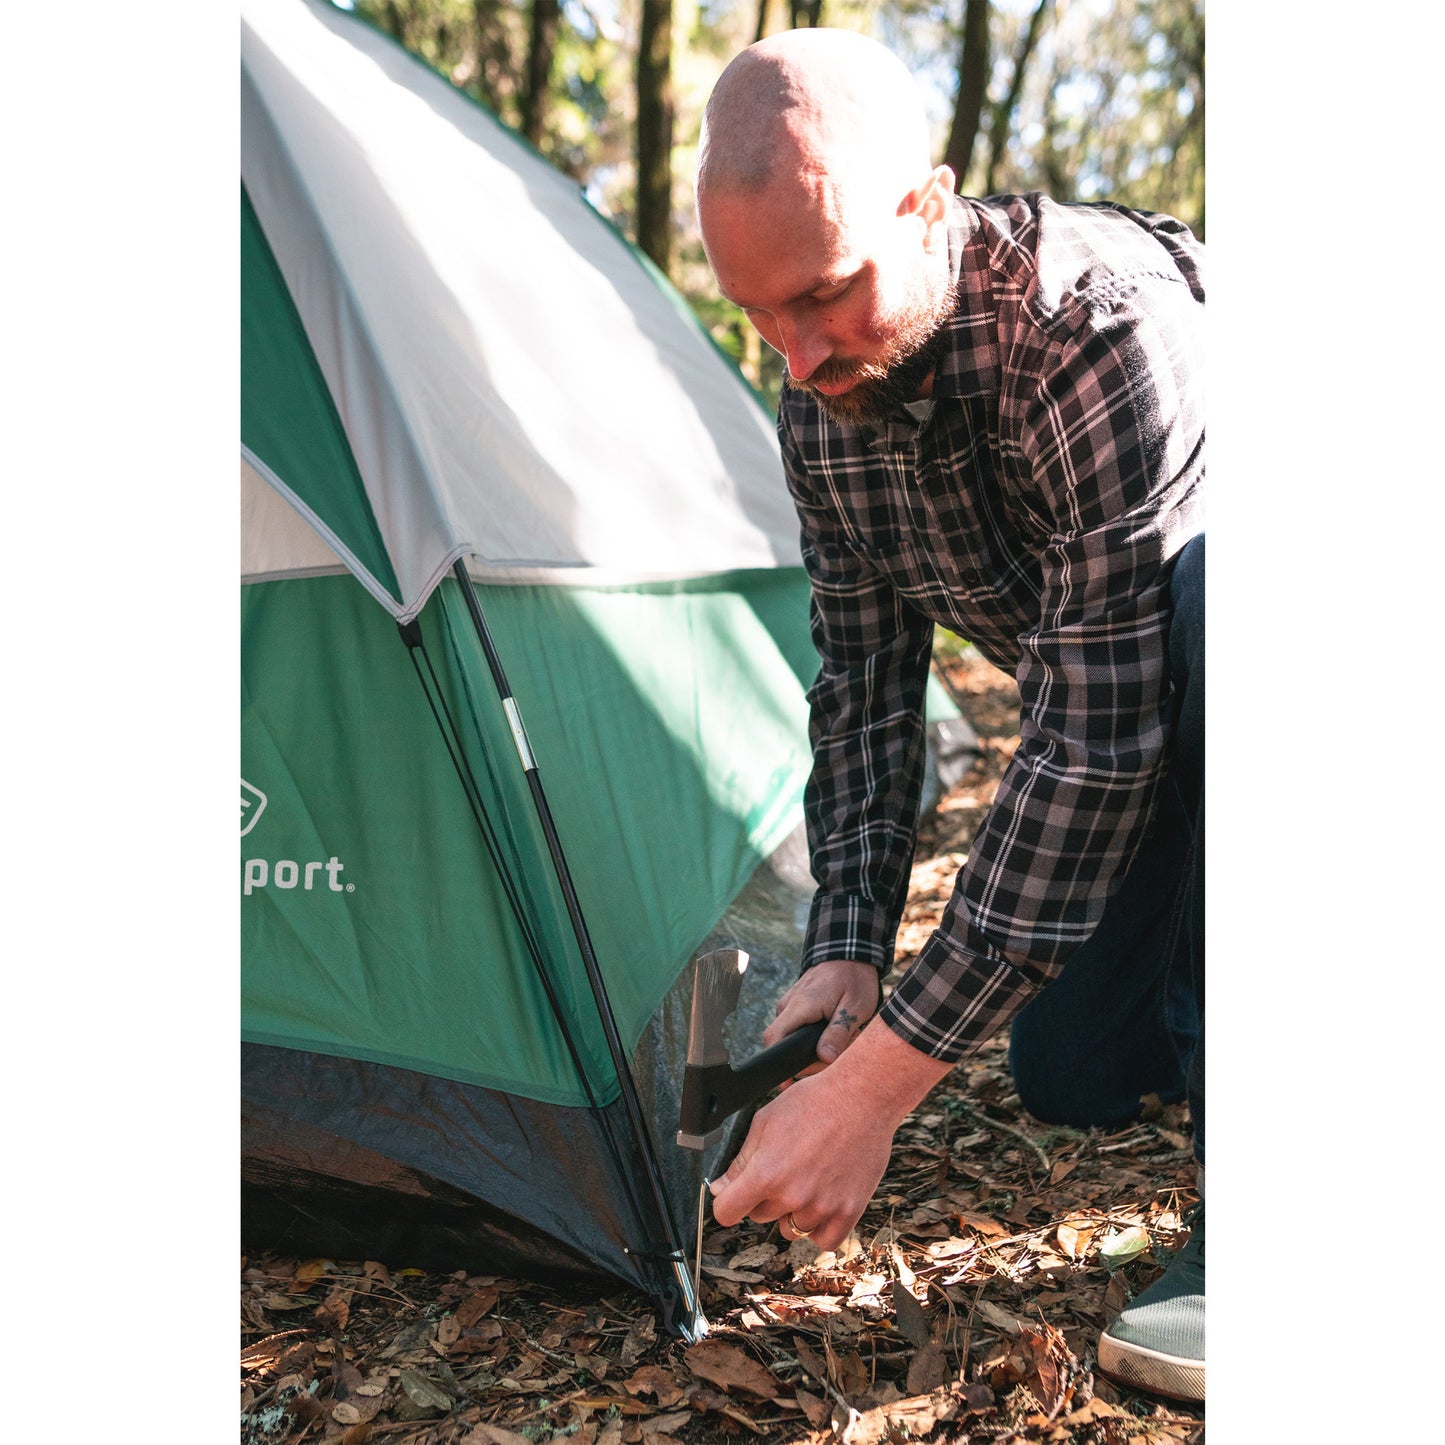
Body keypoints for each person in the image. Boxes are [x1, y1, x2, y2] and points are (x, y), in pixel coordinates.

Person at [694, 28, 1205, 1404]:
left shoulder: (1094, 334)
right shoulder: (822, 403)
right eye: (760, 320)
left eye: (826, 293)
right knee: (1068, 1075)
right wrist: (848, 952)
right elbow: (864, 692)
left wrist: (871, 1096)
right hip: (1146, 745)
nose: (797, 359)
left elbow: (1094, 748)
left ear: (926, 204)